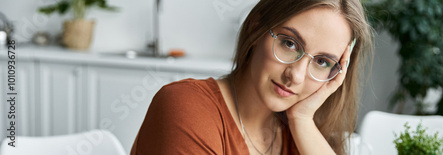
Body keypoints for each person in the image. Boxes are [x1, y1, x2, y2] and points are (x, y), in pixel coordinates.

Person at [130, 0, 373, 154]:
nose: (296, 76)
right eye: (289, 43)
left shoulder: (300, 132)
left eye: (322, 62)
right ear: (255, 28)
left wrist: (302, 119)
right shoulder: (186, 107)